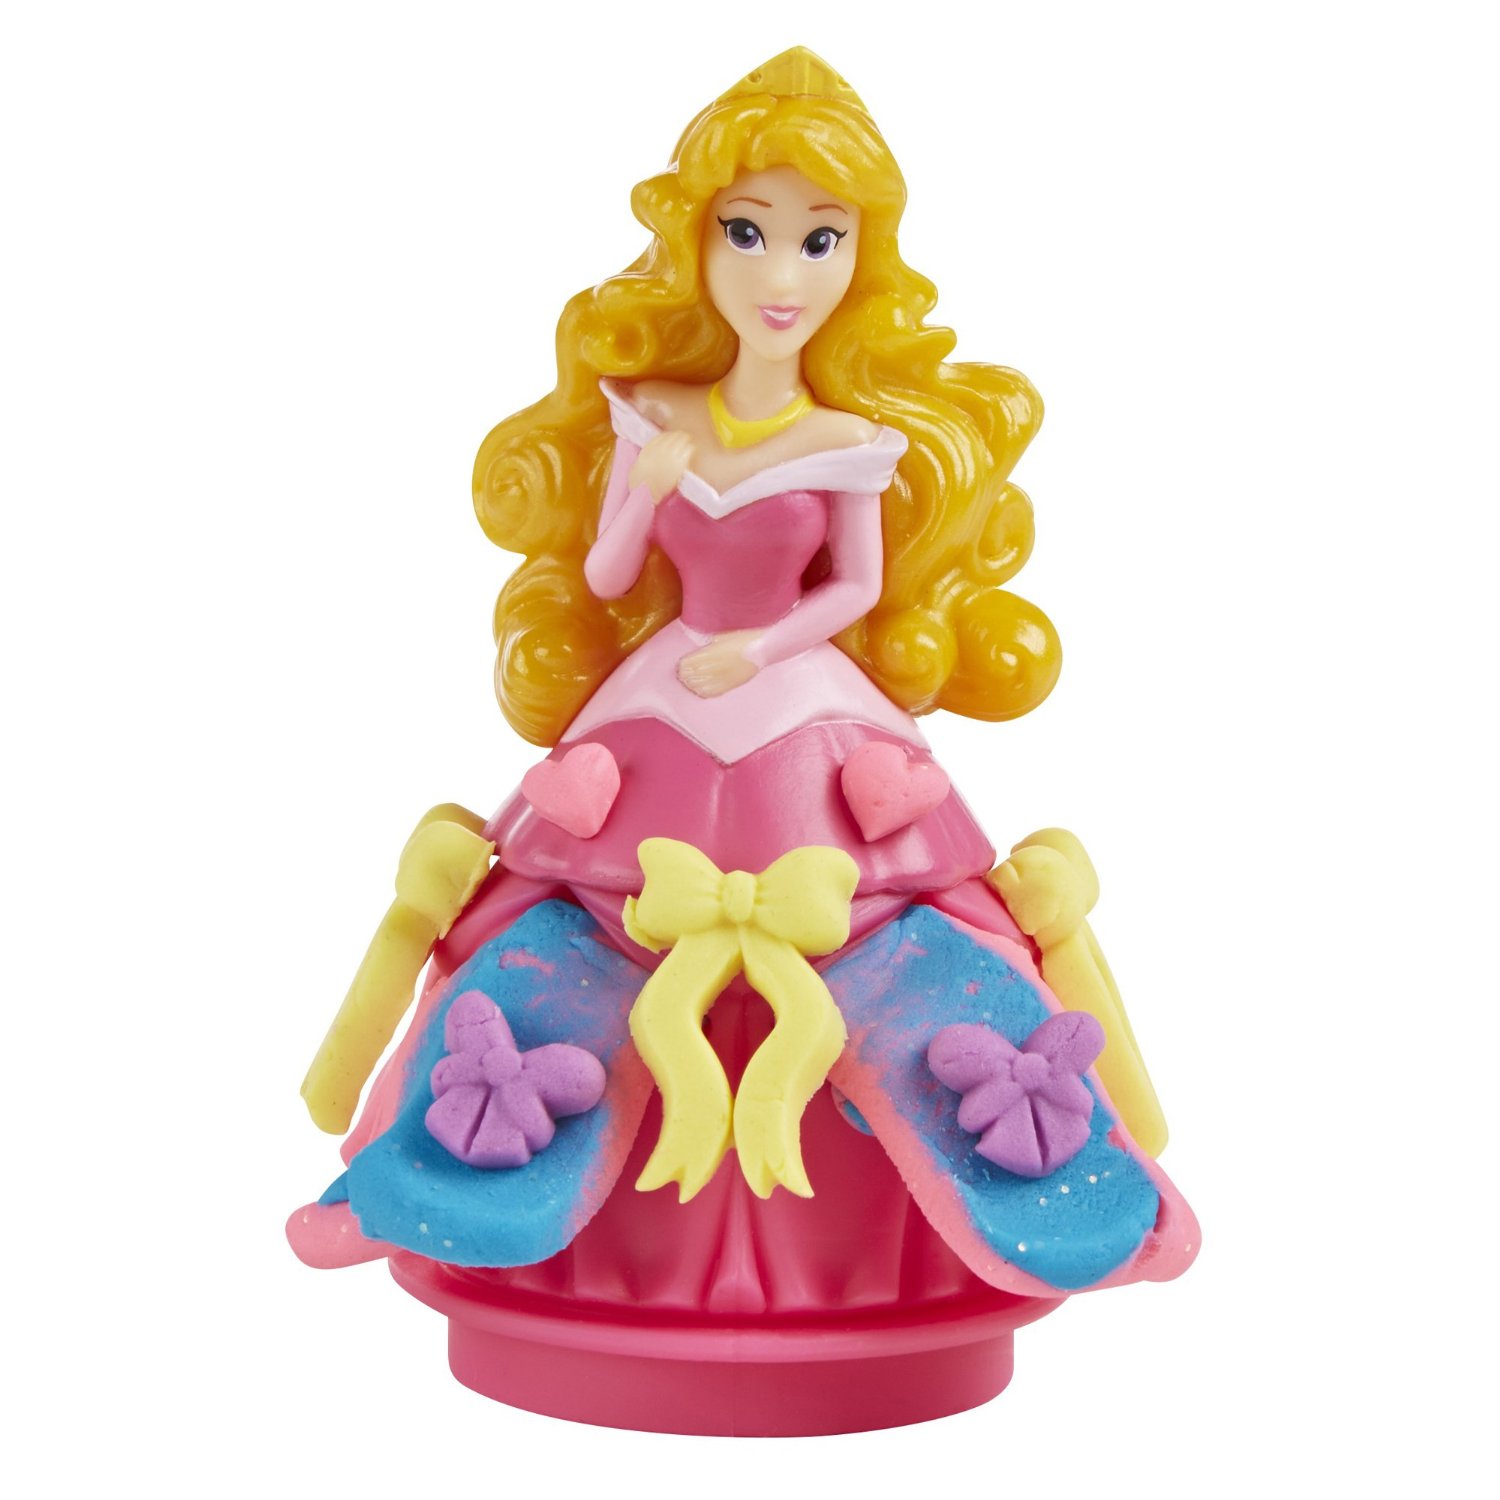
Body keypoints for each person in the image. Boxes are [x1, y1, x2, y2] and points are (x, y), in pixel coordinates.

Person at [288, 48, 1197, 1432]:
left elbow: (851, 590)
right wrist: (640, 488)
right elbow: (607, 574)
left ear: (859, 259)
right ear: (697, 242)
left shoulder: (846, 442)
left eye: (820, 239)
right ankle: (456, 1184)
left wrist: (762, 653)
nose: (782, 271)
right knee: (562, 933)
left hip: (802, 711)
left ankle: (1017, 1202)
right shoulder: (651, 415)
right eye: (749, 231)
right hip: (654, 707)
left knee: (910, 940)